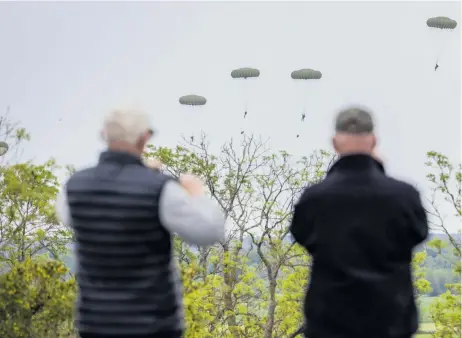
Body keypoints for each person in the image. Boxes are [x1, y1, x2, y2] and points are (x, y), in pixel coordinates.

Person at [55, 108, 226, 338]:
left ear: (104, 135)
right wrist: (196, 192)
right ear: (144, 137)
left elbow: (73, 217)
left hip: (95, 326)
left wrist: (137, 178)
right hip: (152, 328)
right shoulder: (159, 189)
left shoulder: (73, 188)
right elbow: (210, 231)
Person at [290, 107, 428, 338]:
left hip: (330, 323)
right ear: (374, 142)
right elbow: (418, 233)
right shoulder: (404, 196)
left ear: (335, 143)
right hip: (390, 322)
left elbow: (301, 235)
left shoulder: (315, 198)